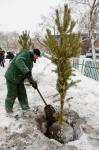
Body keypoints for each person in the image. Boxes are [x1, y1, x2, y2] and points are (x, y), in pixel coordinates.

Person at [5, 49, 41, 113]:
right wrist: (26, 71)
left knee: (22, 93)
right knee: (12, 94)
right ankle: (8, 110)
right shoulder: (25, 54)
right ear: (34, 53)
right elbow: (18, 61)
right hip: (12, 76)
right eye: (37, 56)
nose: (37, 58)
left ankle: (25, 107)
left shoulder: (31, 62)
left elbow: (29, 73)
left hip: (19, 79)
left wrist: (32, 81)